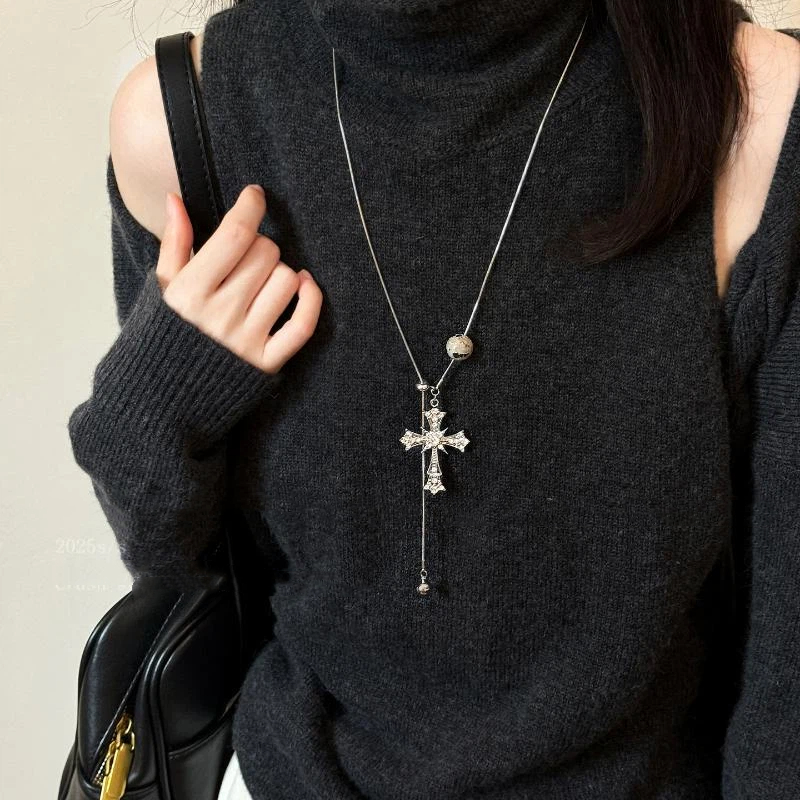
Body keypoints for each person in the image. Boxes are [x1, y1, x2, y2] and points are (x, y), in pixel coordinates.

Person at [68, 0, 800, 797]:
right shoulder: (186, 120)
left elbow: (786, 678)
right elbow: (181, 571)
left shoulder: (754, 108)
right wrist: (160, 402)